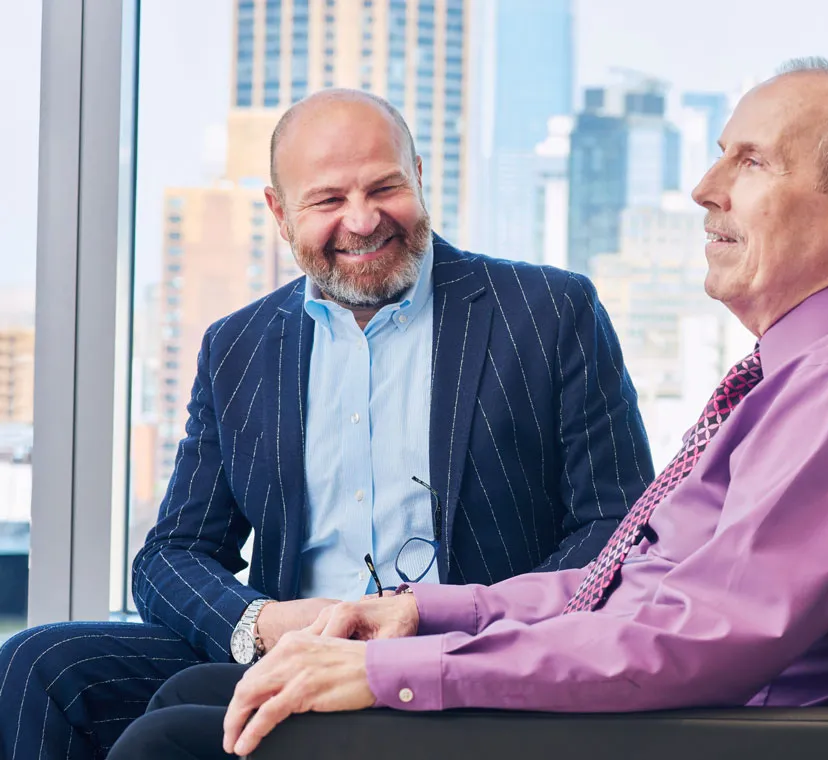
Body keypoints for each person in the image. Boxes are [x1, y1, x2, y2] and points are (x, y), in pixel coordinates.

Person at [108, 57, 828, 760]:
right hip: (649, 713)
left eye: (751, 160)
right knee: (188, 700)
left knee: (171, 741)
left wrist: (394, 671)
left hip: (677, 737)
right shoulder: (815, 374)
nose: (705, 187)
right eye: (720, 152)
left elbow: (693, 644)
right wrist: (427, 616)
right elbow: (626, 587)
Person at [0, 90, 654, 760]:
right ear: (280, 214)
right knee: (38, 668)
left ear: (420, 178)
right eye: (329, 200)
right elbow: (172, 556)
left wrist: (457, 617)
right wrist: (263, 623)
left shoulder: (549, 312)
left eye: (385, 187)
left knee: (164, 736)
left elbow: (621, 529)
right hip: (292, 653)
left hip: (467, 663)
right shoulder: (238, 347)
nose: (364, 220)